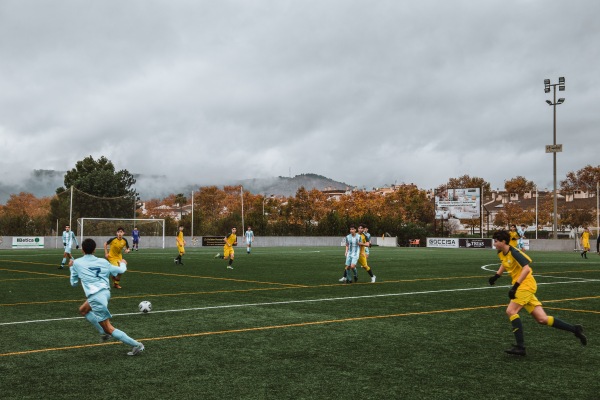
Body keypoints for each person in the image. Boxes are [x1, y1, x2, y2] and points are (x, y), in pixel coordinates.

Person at [488, 230, 587, 356]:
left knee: (511, 311)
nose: (494, 243)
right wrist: (496, 276)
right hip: (523, 286)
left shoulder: (515, 252)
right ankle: (575, 329)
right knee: (542, 319)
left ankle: (520, 347)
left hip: (526, 285)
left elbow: (527, 269)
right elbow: (505, 263)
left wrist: (515, 286)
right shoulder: (502, 252)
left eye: (496, 241)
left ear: (503, 241)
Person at [70, 238, 144, 356]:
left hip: (95, 297)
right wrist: (124, 264)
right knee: (83, 310)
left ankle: (136, 345)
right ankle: (103, 332)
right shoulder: (103, 262)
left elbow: (73, 284)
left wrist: (71, 267)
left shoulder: (77, 263)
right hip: (105, 293)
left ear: (82, 250)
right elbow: (120, 270)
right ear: (94, 250)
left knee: (108, 328)